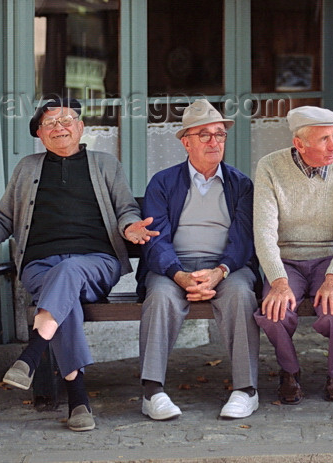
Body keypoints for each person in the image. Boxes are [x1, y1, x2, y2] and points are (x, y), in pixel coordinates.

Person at [0, 97, 158, 432]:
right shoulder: (27, 168)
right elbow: (3, 216)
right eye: (51, 123)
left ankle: (33, 353)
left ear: (81, 127)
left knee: (67, 273)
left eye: (67, 120)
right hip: (40, 266)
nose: (60, 127)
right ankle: (78, 402)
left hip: (96, 263)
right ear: (40, 134)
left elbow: (127, 207)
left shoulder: (105, 165)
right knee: (62, 291)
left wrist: (130, 227)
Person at [135, 99, 261, 420]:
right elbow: (155, 238)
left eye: (219, 134)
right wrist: (179, 275)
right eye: (204, 135)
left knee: (241, 294)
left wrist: (219, 272)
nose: (214, 142)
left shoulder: (240, 184)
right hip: (171, 267)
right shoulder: (163, 183)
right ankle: (152, 392)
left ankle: (246, 390)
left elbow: (244, 238)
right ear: (185, 141)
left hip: (227, 267)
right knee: (161, 296)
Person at [253, 106, 333, 404]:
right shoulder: (270, 166)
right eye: (324, 139)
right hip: (286, 260)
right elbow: (263, 232)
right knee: (274, 314)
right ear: (299, 144)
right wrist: (277, 281)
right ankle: (289, 371)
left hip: (331, 258)